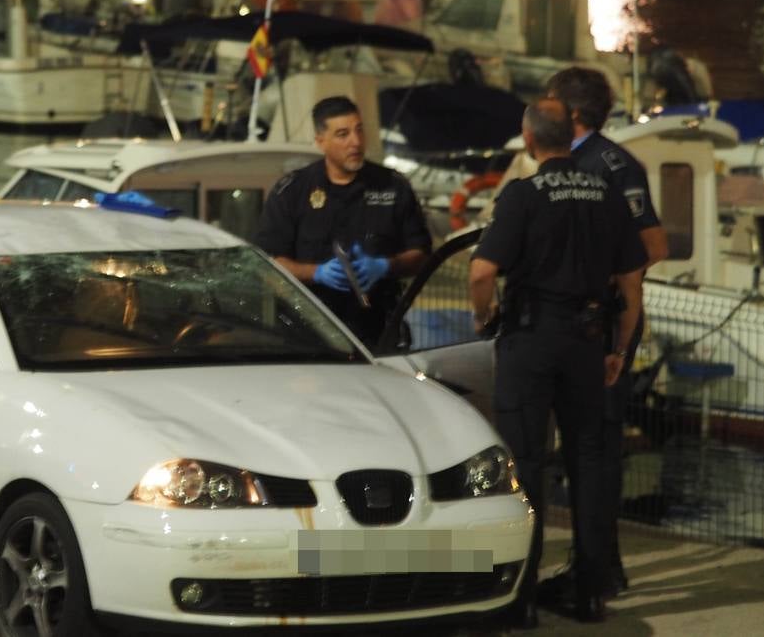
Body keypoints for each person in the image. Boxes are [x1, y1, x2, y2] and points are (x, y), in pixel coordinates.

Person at [469, 99, 646, 628]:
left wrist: (486, 317)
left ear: (528, 139)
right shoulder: (608, 194)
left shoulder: (522, 195)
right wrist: (618, 348)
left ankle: (520, 598)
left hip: (532, 341)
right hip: (589, 341)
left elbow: (481, 272)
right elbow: (631, 285)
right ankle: (590, 592)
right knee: (589, 463)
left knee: (526, 466)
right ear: (570, 136)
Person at [543, 67, 669, 599]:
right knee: (586, 447)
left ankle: (595, 571)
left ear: (570, 112)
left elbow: (652, 247)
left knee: (593, 447)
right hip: (580, 324)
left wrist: (594, 280)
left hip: (601, 325)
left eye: (548, 104)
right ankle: (601, 564)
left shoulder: (609, 165)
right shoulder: (574, 161)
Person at [254, 96, 431, 347]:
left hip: (377, 333)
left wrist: (385, 266)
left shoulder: (392, 186)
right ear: (320, 141)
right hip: (308, 334)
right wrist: (316, 273)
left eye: (359, 130)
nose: (355, 142)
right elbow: (269, 263)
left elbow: (421, 255)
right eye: (342, 134)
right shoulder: (293, 191)